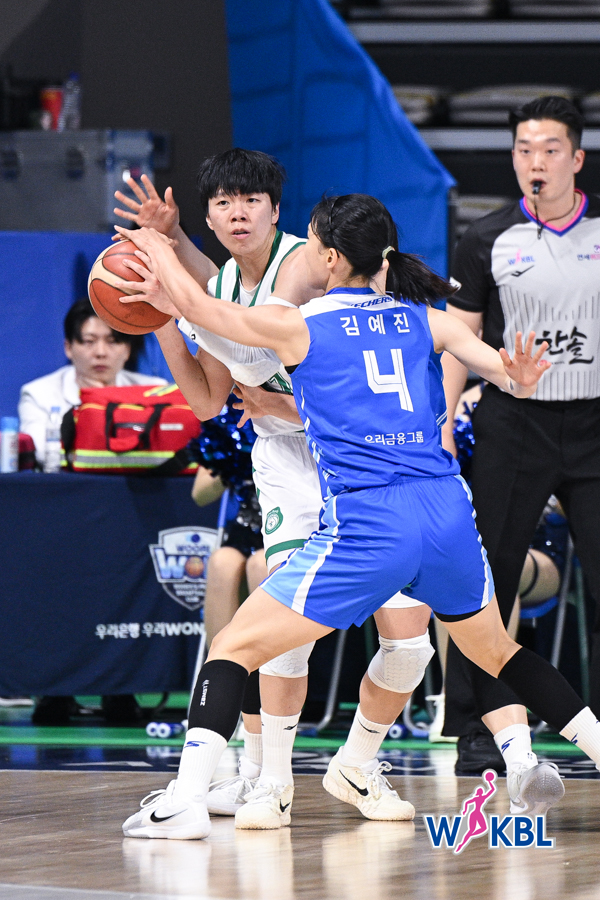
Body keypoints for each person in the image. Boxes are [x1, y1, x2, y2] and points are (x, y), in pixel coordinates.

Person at [116, 193, 600, 842]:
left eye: (312, 241)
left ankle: (184, 802)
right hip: (445, 513)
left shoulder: (301, 325)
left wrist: (157, 249)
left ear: (328, 258)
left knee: (233, 646)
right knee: (495, 651)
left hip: (372, 521)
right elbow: (507, 375)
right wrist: (519, 376)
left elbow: (204, 311)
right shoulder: (426, 318)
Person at [114, 153, 437, 829]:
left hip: (365, 461)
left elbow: (340, 389)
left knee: (410, 644)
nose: (238, 213)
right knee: (286, 631)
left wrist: (280, 400)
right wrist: (161, 320)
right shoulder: (220, 285)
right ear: (208, 218)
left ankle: (358, 764)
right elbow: (208, 401)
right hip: (289, 465)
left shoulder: (308, 268)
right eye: (224, 203)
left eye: (251, 200)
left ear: (276, 211)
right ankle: (271, 782)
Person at [439, 95, 600, 775]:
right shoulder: (485, 238)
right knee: (489, 580)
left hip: (594, 424)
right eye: (524, 150)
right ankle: (477, 729)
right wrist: (444, 423)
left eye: (550, 149)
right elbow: (458, 335)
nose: (536, 162)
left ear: (577, 158)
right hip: (514, 424)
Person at [18, 297, 164, 725]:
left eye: (112, 341)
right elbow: (40, 455)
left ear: (127, 348)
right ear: (69, 347)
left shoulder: (154, 392)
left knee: (132, 582)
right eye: (88, 341)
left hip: (130, 518)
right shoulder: (39, 393)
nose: (100, 352)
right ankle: (54, 690)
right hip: (60, 518)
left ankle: (123, 689)